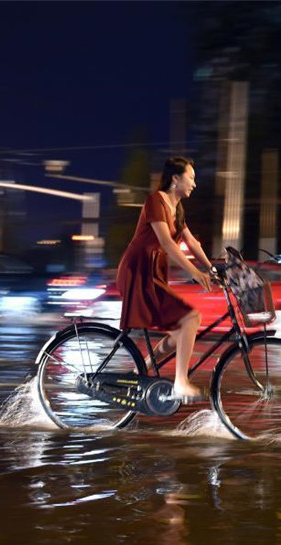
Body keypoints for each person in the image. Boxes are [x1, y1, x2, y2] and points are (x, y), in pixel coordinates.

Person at [116, 157, 213, 402]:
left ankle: (142, 369)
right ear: (175, 179)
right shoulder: (155, 201)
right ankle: (181, 383)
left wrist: (212, 269)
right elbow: (167, 243)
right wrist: (194, 272)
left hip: (152, 273)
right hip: (138, 272)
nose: (194, 184)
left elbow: (192, 243)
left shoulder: (177, 209)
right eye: (191, 178)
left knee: (182, 330)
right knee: (191, 318)